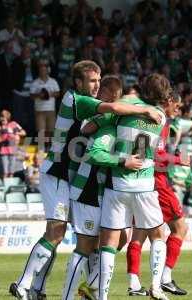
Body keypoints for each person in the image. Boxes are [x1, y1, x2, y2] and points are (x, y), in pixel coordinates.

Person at [9, 60, 161, 300]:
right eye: (92, 81)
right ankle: (23, 284)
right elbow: (113, 109)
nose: (96, 85)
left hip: (69, 178)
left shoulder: (85, 107)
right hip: (57, 174)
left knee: (88, 238)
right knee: (57, 233)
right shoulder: (75, 100)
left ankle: (42, 288)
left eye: (99, 81)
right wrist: (145, 110)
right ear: (78, 82)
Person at [62, 75, 136, 300]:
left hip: (104, 190)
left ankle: (91, 286)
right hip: (88, 188)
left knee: (120, 237)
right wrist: (123, 161)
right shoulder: (101, 119)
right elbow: (91, 144)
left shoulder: (110, 119)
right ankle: (68, 296)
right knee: (85, 246)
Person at [96, 74, 170, 300]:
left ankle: (102, 296)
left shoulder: (126, 103)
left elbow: (114, 109)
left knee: (109, 242)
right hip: (145, 184)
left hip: (118, 183)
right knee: (158, 235)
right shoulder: (161, 116)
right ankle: (156, 286)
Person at [125, 89, 188, 299]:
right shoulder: (159, 119)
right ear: (168, 101)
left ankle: (134, 283)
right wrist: (180, 159)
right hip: (157, 181)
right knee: (179, 227)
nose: (177, 110)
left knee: (139, 232)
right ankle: (165, 278)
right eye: (176, 106)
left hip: (141, 181)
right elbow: (157, 155)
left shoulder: (145, 117)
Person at [30, 61, 60, 146]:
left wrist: (50, 94)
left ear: (47, 71)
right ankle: (41, 148)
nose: (43, 72)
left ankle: (50, 147)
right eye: (41, 70)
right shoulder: (35, 82)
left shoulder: (53, 81)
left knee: (50, 130)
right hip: (39, 110)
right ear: (39, 71)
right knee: (41, 131)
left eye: (44, 70)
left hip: (51, 109)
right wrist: (39, 95)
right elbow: (31, 96)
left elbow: (58, 93)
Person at [0, 110, 26, 178]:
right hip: (3, 149)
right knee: (5, 171)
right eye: (1, 116)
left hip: (12, 149)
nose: (2, 118)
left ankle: (10, 182)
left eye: (3, 116)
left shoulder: (13, 124)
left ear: (7, 117)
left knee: (11, 171)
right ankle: (5, 184)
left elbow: (23, 132)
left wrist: (15, 133)